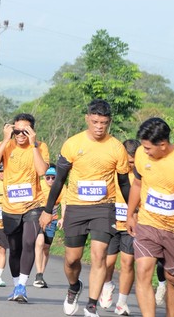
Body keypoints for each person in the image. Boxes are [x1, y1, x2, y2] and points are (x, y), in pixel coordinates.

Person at [39, 99, 130, 317]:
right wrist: (47, 210)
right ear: (87, 118)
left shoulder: (116, 147)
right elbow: (59, 180)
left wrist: (134, 211)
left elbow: (125, 184)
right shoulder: (72, 144)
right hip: (76, 207)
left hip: (104, 208)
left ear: (109, 122)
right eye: (95, 122)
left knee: (99, 255)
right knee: (72, 260)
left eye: (104, 123)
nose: (99, 127)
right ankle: (74, 287)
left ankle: (91, 305)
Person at [0, 113, 49, 304]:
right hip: (10, 207)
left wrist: (33, 145)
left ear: (32, 131)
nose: (21, 134)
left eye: (25, 131)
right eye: (17, 131)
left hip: (34, 204)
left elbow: (42, 171)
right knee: (14, 249)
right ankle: (16, 286)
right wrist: (6, 139)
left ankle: (22, 286)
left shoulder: (40, 146)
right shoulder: (5, 145)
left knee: (29, 242)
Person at [126, 117, 174, 317]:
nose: (144, 151)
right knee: (143, 271)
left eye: (148, 148)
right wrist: (131, 214)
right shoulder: (141, 153)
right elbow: (137, 184)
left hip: (173, 229)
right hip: (148, 223)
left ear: (163, 145)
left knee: (173, 279)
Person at [99, 139, 139, 316]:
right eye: (128, 161)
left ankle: (122, 302)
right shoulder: (112, 172)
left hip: (131, 224)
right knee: (107, 262)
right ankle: (107, 285)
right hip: (112, 221)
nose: (130, 165)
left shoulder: (141, 176)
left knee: (127, 262)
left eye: (133, 162)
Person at [33, 165, 65, 289]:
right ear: (44, 178)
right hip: (38, 219)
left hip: (52, 221)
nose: (50, 180)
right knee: (39, 243)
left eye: (53, 178)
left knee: (46, 248)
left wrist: (63, 218)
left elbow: (64, 203)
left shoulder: (62, 187)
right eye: (48, 177)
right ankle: (38, 274)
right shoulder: (39, 185)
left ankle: (41, 274)